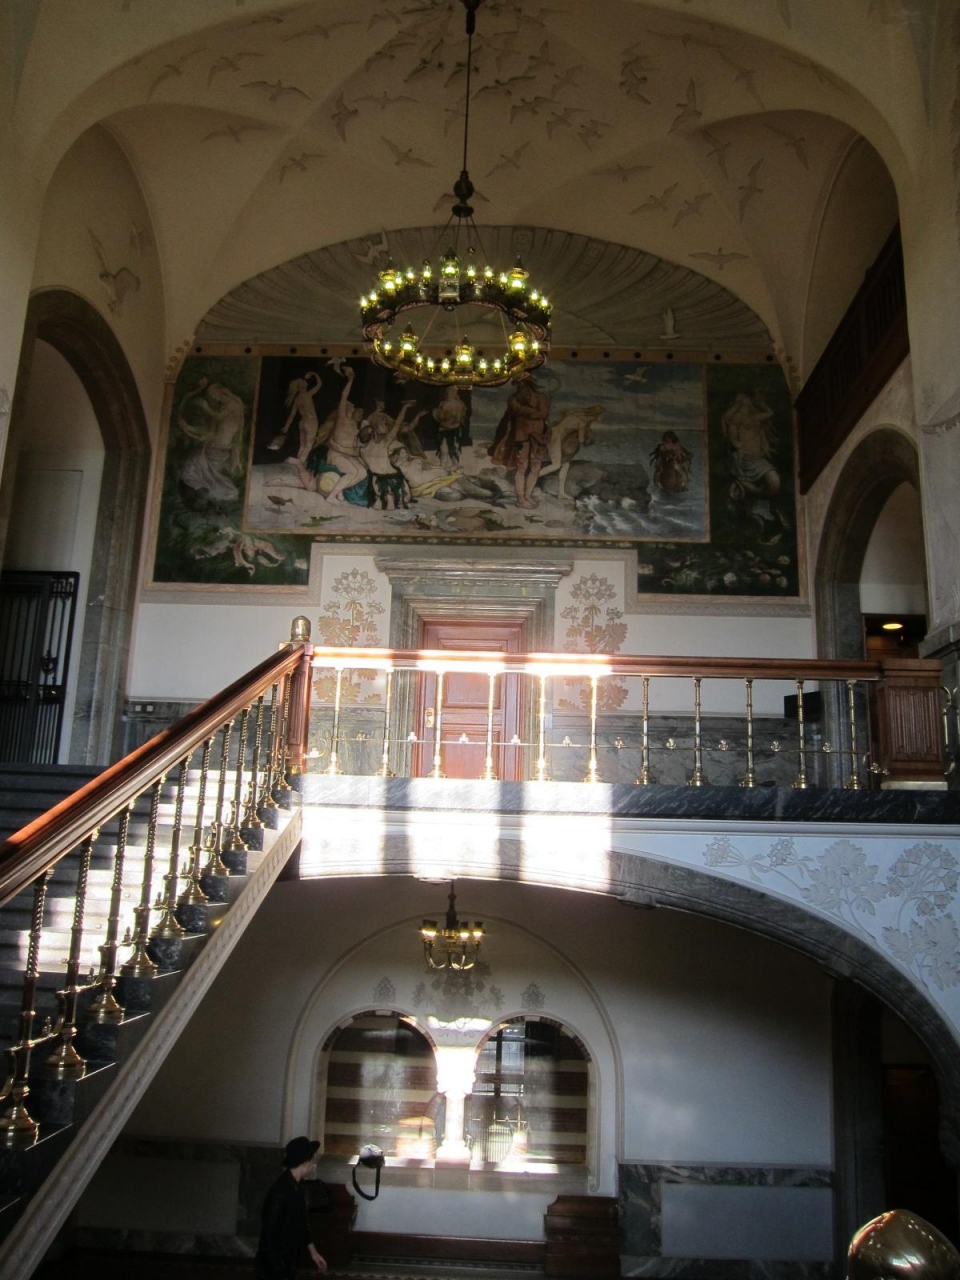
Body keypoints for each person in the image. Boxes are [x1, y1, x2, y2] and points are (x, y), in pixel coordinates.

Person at [256, 1135, 326, 1279]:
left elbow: (302, 1223)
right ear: (305, 1162)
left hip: (285, 1262)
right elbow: (269, 1233)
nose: (313, 1165)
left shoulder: (296, 1187)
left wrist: (313, 1253)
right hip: (274, 1267)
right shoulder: (281, 1191)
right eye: (311, 1160)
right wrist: (277, 1268)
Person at [487, 377, 551, 508]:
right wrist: (533, 412)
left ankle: (527, 496)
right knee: (522, 467)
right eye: (518, 385)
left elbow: (543, 413)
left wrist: (528, 412)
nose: (520, 387)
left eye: (522, 384)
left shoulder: (540, 397)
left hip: (538, 436)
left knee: (536, 466)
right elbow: (517, 411)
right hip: (520, 436)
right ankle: (520, 499)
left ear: (529, 384)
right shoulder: (514, 399)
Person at [538, 403, 606, 499]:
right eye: (602, 415)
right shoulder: (582, 422)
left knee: (565, 465)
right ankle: (531, 479)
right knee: (556, 465)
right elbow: (581, 440)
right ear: (597, 414)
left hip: (557, 436)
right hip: (554, 437)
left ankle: (561, 493)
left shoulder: (582, 418)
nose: (603, 417)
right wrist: (588, 438)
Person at [268, 371, 322, 461]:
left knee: (302, 444)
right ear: (304, 385)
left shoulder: (297, 399)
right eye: (304, 382)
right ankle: (300, 462)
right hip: (311, 421)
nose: (305, 382)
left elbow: (292, 415)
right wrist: (314, 374)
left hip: (302, 422)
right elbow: (319, 384)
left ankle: (299, 461)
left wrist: (286, 426)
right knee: (308, 444)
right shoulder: (308, 394)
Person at [432, 384, 468, 470]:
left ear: (456, 393)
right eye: (450, 391)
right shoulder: (443, 403)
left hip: (455, 429)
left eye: (454, 392)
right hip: (444, 429)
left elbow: (459, 418)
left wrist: (451, 416)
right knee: (443, 449)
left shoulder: (459, 404)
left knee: (454, 448)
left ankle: (455, 464)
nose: (451, 393)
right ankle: (443, 465)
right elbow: (440, 417)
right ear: (446, 393)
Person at [649, 429, 693, 493]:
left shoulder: (676, 446)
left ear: (673, 438)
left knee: (682, 471)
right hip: (664, 461)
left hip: (674, 461)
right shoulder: (662, 446)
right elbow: (661, 455)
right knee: (658, 470)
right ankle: (656, 483)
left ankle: (684, 484)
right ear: (665, 438)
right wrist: (660, 461)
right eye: (667, 438)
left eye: (670, 438)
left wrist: (678, 459)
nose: (669, 440)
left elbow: (679, 456)